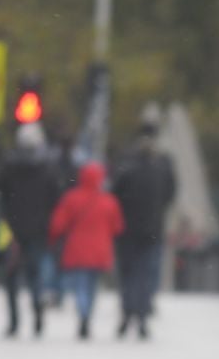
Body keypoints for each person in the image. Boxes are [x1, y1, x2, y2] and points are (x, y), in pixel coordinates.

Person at [112, 120, 177, 339]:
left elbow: (115, 193)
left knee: (128, 274)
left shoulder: (126, 164)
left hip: (127, 230)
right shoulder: (163, 165)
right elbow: (170, 193)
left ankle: (127, 312)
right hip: (153, 229)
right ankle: (141, 315)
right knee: (145, 274)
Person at [0, 122, 63, 338]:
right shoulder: (47, 169)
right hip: (37, 230)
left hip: (13, 230)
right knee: (35, 276)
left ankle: (14, 321)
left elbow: (0, 196)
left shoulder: (9, 167)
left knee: (11, 277)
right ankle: (37, 317)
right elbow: (55, 198)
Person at [48, 162, 124, 340]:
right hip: (100, 251)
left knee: (80, 286)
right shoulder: (108, 201)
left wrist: (53, 239)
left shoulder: (71, 198)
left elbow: (58, 224)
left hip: (77, 249)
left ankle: (82, 315)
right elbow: (118, 227)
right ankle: (87, 315)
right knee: (92, 287)